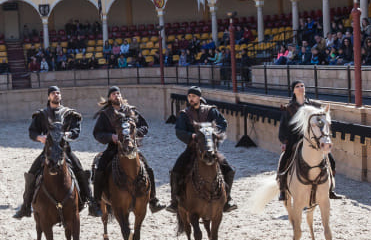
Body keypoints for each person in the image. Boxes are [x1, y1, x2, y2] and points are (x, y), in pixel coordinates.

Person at [14, 86, 91, 219]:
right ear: (48, 96)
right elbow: (32, 132)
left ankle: (90, 201)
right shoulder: (42, 114)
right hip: (48, 151)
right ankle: (26, 206)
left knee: (79, 170)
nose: (56, 95)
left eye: (58, 93)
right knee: (32, 173)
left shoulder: (69, 114)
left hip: (65, 150)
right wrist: (40, 138)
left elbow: (76, 131)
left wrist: (67, 134)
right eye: (53, 93)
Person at [88, 86, 161, 217]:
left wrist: (134, 134)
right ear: (109, 98)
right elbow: (97, 133)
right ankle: (97, 202)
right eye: (113, 94)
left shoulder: (131, 111)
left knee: (148, 168)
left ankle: (153, 200)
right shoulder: (105, 114)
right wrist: (111, 137)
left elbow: (144, 126)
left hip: (131, 147)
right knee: (100, 168)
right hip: (114, 148)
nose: (116, 96)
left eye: (118, 93)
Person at [169, 86, 236, 212]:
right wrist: (192, 136)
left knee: (229, 170)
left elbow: (223, 123)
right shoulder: (185, 114)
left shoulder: (211, 111)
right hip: (192, 149)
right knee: (175, 171)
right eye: (189, 96)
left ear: (199, 97)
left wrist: (212, 133)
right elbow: (179, 131)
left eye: (193, 96)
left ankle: (228, 199)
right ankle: (174, 202)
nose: (191, 99)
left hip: (210, 149)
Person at [276, 81, 337, 200]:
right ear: (293, 90)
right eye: (297, 86)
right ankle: (282, 188)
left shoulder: (314, 105)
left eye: (302, 86)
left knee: (331, 160)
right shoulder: (289, 108)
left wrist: (323, 136)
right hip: (295, 138)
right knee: (284, 159)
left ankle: (330, 188)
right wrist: (284, 142)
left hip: (313, 137)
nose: (300, 88)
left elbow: (321, 121)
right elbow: (283, 126)